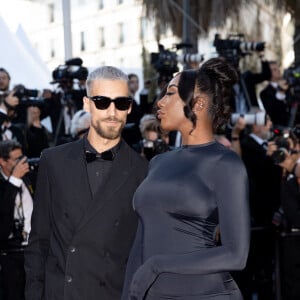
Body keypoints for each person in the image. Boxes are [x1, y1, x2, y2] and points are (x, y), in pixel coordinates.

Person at [122, 57, 250, 300]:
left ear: (198, 104)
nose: (160, 102)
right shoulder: (158, 163)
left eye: (170, 93)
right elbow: (140, 243)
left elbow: (236, 255)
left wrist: (157, 265)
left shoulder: (225, 164)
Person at [24, 66, 148, 300]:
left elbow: (143, 252)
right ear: (86, 103)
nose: (112, 112)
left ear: (130, 107)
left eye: (121, 103)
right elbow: (39, 241)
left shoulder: (143, 171)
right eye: (102, 102)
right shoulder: (54, 161)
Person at [0, 140, 34, 300]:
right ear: (2, 161)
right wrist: (13, 180)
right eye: (16, 159)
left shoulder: (29, 178)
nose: (22, 163)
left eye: (23, 158)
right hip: (10, 257)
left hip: (34, 252)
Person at [260, 61, 291, 128]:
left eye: (278, 68)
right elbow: (272, 112)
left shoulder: (290, 86)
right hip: (279, 127)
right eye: (274, 69)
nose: (278, 71)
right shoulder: (265, 93)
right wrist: (280, 92)